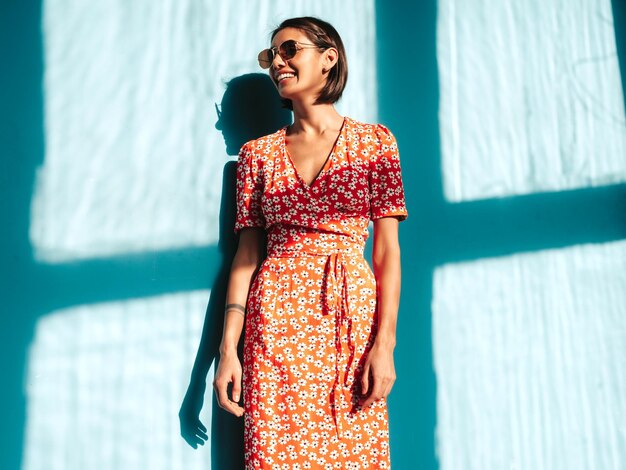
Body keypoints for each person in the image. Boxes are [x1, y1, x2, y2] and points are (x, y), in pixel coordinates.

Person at [213, 16, 408, 469]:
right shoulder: (256, 156)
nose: (277, 63)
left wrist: (385, 345)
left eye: (288, 50)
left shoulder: (376, 144)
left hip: (349, 321)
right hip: (274, 322)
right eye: (270, 57)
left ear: (328, 58)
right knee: (273, 453)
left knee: (353, 452)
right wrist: (228, 350)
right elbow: (245, 257)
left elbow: (387, 252)